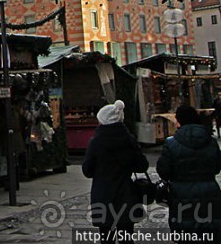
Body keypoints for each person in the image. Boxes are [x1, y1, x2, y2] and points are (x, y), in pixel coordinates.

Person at [82, 100, 149, 244]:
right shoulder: (129, 140)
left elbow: (87, 170)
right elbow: (142, 166)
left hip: (103, 195)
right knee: (126, 237)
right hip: (126, 193)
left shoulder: (96, 142)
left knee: (106, 238)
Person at [156, 104, 221, 240]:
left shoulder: (171, 143)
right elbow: (217, 167)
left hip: (181, 193)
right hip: (209, 191)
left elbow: (164, 171)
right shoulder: (211, 141)